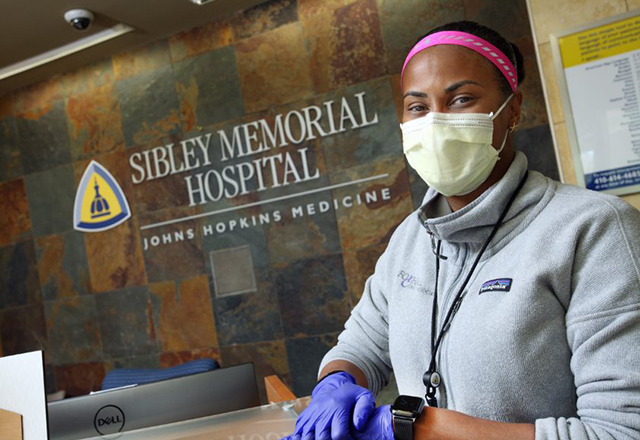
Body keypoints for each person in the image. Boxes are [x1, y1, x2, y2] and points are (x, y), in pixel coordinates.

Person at [282, 20, 640, 440]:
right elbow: (362, 344)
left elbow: (621, 430)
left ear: (513, 109)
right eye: (417, 106)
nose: (435, 122)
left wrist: (421, 429)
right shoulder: (410, 239)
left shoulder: (592, 229)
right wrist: (336, 381)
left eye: (461, 99)